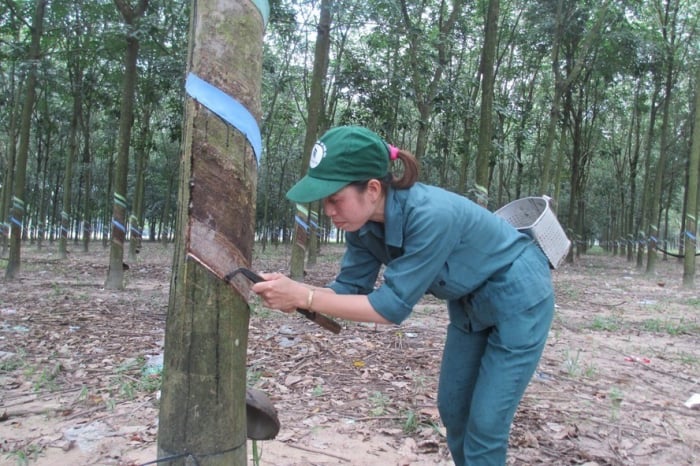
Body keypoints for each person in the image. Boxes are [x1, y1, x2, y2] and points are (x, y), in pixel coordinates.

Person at [251, 125, 555, 466]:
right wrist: (289, 292)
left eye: (335, 199)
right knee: (454, 411)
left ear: (373, 188)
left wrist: (304, 296)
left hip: (519, 298)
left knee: (485, 426)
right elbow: (348, 290)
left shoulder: (430, 214)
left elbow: (391, 308)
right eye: (324, 201)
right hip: (469, 303)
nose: (328, 211)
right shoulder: (362, 227)